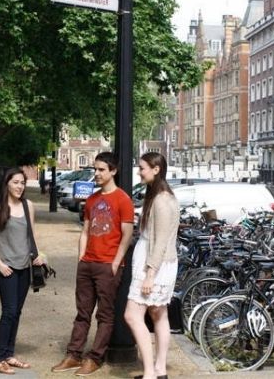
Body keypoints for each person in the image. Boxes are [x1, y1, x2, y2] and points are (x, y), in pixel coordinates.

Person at [51, 152, 135, 376]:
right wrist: (81, 256)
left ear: (113, 171)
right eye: (95, 169)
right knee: (82, 313)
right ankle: (74, 355)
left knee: (105, 315)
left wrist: (116, 263)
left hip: (108, 264)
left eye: (101, 170)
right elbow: (86, 230)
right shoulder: (92, 199)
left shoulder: (123, 199)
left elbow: (127, 235)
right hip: (87, 263)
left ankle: (95, 357)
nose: (96, 173)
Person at [0, 168, 44, 374]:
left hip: (24, 267)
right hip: (6, 267)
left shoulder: (29, 206)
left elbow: (32, 235)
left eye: (22, 183)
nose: (20, 186)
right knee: (8, 312)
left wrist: (38, 255)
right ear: (7, 183)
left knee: (17, 312)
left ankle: (9, 353)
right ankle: (0, 357)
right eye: (16, 182)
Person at [124, 152, 179, 379]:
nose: (139, 171)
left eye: (142, 168)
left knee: (132, 315)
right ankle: (159, 369)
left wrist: (149, 274)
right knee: (159, 314)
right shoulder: (159, 196)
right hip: (157, 264)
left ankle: (149, 373)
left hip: (154, 266)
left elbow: (161, 242)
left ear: (156, 169)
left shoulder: (162, 200)